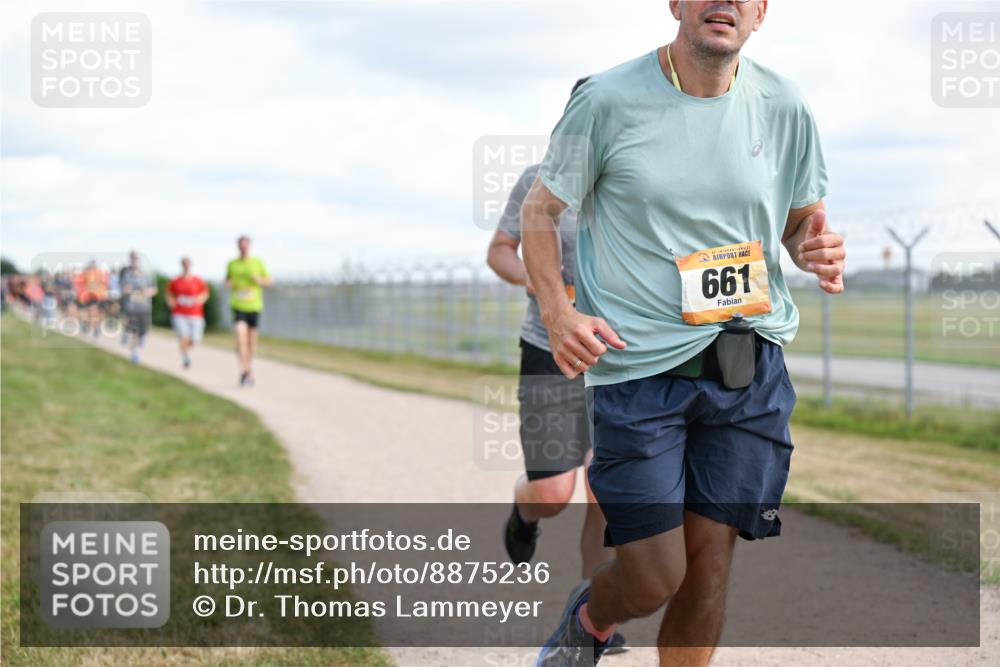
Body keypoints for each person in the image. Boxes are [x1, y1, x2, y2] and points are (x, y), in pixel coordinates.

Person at [524, 2, 846, 665]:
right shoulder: (608, 100)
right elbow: (540, 209)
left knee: (708, 570)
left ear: (760, 12)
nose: (722, 2)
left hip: (745, 366)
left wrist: (812, 248)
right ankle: (589, 620)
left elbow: (800, 218)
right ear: (676, 3)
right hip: (640, 370)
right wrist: (558, 313)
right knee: (652, 574)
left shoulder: (786, 105)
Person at [488, 156, 627, 653]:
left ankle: (593, 613)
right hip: (549, 347)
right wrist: (538, 281)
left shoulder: (637, 175)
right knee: (552, 493)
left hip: (615, 355)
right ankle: (523, 513)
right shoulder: (539, 178)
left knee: (603, 488)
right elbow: (500, 250)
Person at [225, 236, 271, 387]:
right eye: (241, 246)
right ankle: (244, 371)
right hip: (238, 306)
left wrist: (257, 279)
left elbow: (269, 281)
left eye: (245, 246)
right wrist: (229, 283)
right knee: (240, 335)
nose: (243, 248)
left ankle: (248, 369)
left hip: (254, 306)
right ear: (238, 247)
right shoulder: (232, 264)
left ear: (249, 246)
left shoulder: (258, 262)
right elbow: (227, 280)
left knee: (251, 343)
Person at [167, 257, 210, 369]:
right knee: (184, 335)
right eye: (184, 264)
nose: (186, 266)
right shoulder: (175, 281)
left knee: (195, 339)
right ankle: (185, 357)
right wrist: (171, 302)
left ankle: (184, 350)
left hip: (196, 314)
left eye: (187, 264)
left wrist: (200, 300)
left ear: (190, 265)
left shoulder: (197, 280)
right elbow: (169, 294)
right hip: (180, 313)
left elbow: (205, 293)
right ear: (181, 265)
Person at [120, 251, 157, 363]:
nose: (134, 260)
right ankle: (135, 353)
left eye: (136, 258)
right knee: (134, 331)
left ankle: (140, 338)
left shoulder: (145, 275)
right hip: (131, 308)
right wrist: (127, 290)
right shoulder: (125, 275)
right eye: (133, 258)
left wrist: (147, 292)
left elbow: (154, 289)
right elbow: (122, 289)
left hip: (144, 308)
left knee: (144, 331)